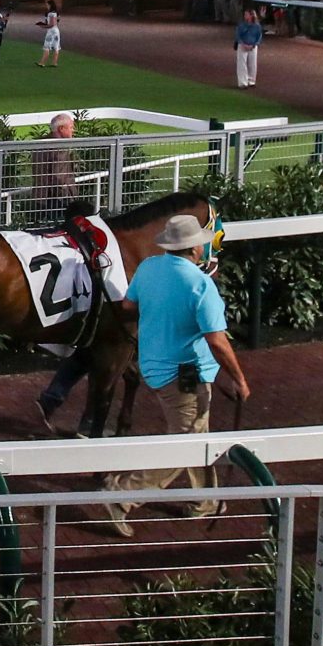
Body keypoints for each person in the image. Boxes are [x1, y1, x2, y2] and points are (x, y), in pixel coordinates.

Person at [98, 213, 248, 536]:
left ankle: (206, 500)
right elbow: (217, 340)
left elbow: (128, 306)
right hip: (185, 374)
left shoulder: (150, 268)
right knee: (186, 444)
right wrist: (239, 378)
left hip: (154, 366)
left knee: (197, 433)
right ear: (194, 249)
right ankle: (122, 494)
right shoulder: (200, 285)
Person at [232, 9, 264, 88]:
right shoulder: (241, 25)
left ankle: (251, 80)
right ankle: (243, 82)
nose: (245, 16)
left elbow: (259, 37)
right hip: (242, 45)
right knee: (241, 64)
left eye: (246, 14)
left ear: (251, 16)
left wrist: (254, 45)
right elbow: (238, 35)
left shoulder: (257, 26)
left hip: (252, 46)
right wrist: (243, 44)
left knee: (252, 64)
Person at [38, 0, 63, 68]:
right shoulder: (57, 13)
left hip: (51, 31)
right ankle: (54, 62)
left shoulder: (50, 14)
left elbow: (51, 24)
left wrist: (43, 26)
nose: (47, 6)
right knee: (56, 46)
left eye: (48, 5)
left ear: (50, 5)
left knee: (47, 47)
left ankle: (42, 62)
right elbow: (57, 21)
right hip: (56, 31)